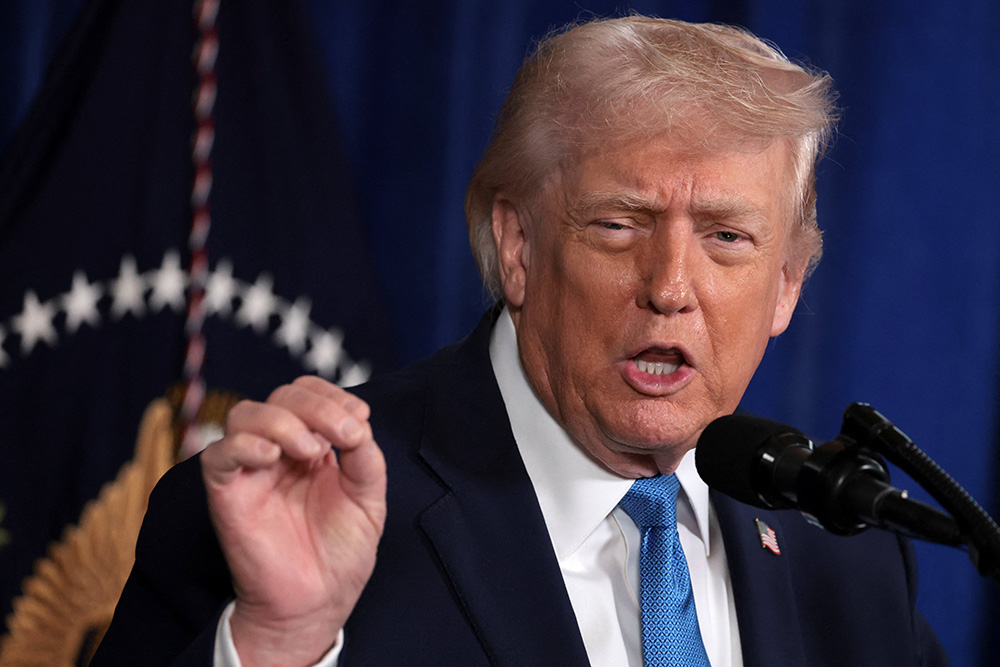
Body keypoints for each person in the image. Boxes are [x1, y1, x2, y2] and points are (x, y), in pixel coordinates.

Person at [93, 16, 948, 667]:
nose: (670, 287)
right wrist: (279, 645)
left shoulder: (849, 557)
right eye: (619, 224)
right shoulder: (297, 513)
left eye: (727, 237)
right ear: (518, 248)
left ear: (787, 284)